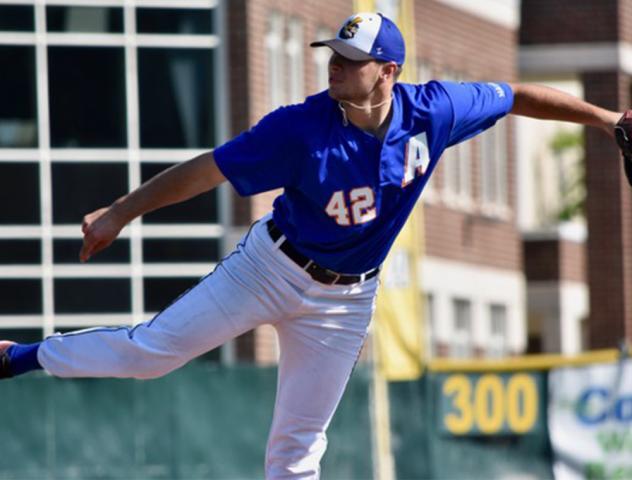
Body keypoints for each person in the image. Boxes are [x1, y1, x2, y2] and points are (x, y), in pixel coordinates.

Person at [0, 11, 625, 479]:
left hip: (345, 303)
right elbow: (206, 170)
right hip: (269, 269)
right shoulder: (298, 128)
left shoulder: (434, 111)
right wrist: (121, 211)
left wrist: (610, 121)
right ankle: (19, 356)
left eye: (350, 58)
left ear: (388, 72)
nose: (334, 65)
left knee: (297, 449)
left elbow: (518, 97)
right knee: (152, 353)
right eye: (333, 53)